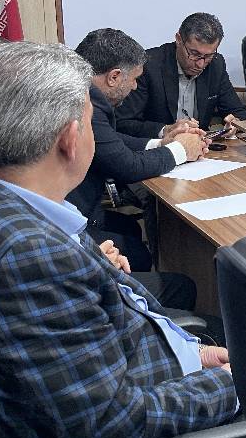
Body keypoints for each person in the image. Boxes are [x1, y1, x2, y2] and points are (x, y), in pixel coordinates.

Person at [0, 41, 246, 438]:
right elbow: (111, 425)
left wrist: (194, 355)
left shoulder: (22, 210)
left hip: (142, 388)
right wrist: (229, 385)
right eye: (92, 122)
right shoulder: (29, 255)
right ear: (71, 139)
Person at [67, 29, 206, 289]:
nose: (134, 87)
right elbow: (127, 167)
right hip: (71, 221)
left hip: (78, 207)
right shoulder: (84, 100)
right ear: (114, 77)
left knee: (130, 229)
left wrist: (162, 143)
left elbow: (109, 140)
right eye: (134, 80)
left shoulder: (73, 85)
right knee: (142, 256)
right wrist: (181, 150)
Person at [116, 12, 246, 137]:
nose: (201, 64)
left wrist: (235, 123)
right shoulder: (148, 65)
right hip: (157, 148)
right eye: (194, 54)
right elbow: (124, 123)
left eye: (209, 56)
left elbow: (239, 112)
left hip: (201, 148)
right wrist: (166, 130)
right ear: (179, 39)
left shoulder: (216, 65)